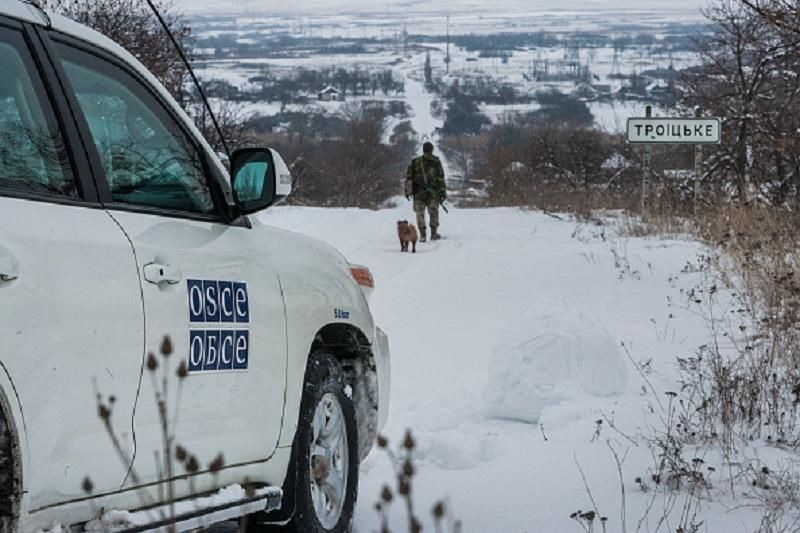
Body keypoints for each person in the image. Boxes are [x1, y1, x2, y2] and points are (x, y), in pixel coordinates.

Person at [404, 141, 446, 242]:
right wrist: (442, 192)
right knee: (433, 212)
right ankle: (434, 233)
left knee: (420, 213)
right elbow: (441, 178)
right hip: (433, 193)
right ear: (432, 149)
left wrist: (407, 191)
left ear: (423, 150)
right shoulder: (436, 161)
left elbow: (409, 177)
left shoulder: (415, 162)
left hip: (419, 193)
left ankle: (422, 235)